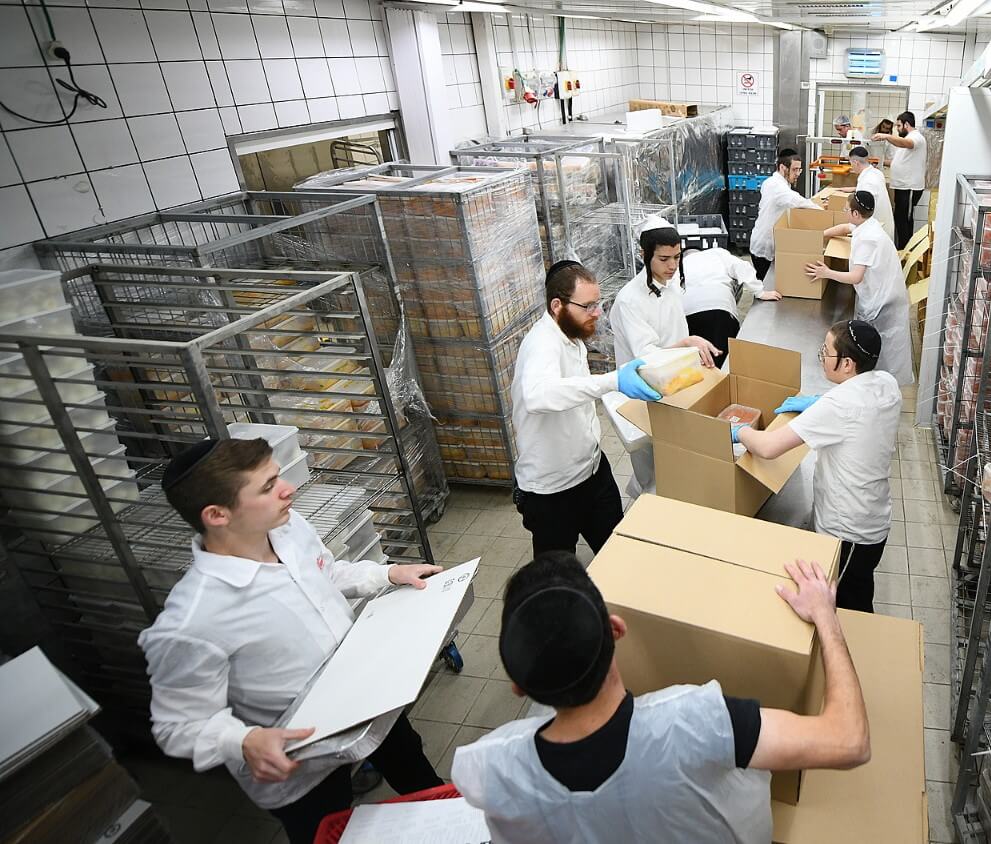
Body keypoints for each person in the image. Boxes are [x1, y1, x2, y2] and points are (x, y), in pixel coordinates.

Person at [137, 438, 448, 844]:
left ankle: (447, 815)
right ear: (216, 514)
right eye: (267, 487)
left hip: (365, 697)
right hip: (300, 761)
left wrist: (386, 575)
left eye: (278, 476)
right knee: (327, 830)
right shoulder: (193, 618)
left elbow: (328, 572)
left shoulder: (286, 527)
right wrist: (243, 739)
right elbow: (175, 725)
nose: (288, 489)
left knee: (417, 774)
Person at [453, 551, 870, 843]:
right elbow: (849, 740)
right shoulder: (695, 722)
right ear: (616, 629)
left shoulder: (490, 767)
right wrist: (825, 617)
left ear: (519, 686)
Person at [735, 321, 901, 613]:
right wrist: (818, 402)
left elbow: (769, 448)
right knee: (857, 588)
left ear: (847, 364)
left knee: (849, 606)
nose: (822, 356)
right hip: (873, 518)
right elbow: (854, 407)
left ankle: (855, 654)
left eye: (826, 351)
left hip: (848, 532)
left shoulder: (839, 405)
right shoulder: (887, 383)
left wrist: (738, 431)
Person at [511, 260, 664, 554]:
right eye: (589, 306)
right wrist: (612, 381)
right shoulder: (541, 344)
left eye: (599, 303)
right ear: (558, 305)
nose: (597, 313)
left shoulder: (572, 337)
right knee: (557, 576)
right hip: (552, 490)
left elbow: (574, 392)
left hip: (592, 471)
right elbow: (538, 395)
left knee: (618, 554)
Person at [610, 218, 720, 496]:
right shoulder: (629, 300)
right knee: (650, 462)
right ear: (643, 255)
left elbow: (674, 327)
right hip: (642, 390)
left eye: (677, 257)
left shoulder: (669, 283)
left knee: (674, 455)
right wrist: (686, 343)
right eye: (664, 259)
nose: (672, 266)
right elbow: (645, 356)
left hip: (674, 380)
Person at [804, 191, 913, 386]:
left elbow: (856, 276)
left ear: (856, 213)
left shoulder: (867, 239)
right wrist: (821, 235)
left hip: (883, 303)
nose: (845, 213)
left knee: (882, 354)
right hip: (883, 293)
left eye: (846, 209)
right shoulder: (868, 224)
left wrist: (826, 272)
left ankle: (877, 387)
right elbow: (846, 227)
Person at [681, 241, 782, 370]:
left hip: (688, 313)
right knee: (727, 363)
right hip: (720, 309)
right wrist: (760, 292)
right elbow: (741, 267)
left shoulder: (680, 264)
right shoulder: (716, 253)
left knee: (699, 364)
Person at [750, 148, 820, 284]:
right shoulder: (778, 187)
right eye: (795, 169)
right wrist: (825, 212)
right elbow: (798, 201)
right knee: (763, 285)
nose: (798, 173)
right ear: (782, 167)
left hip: (762, 238)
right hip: (765, 245)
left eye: (800, 169)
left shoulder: (772, 182)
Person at [872, 111, 928, 250]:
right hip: (902, 186)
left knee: (904, 220)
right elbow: (897, 162)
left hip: (909, 187)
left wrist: (886, 136)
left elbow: (906, 143)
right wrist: (877, 162)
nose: (897, 129)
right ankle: (902, 249)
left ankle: (906, 251)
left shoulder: (916, 137)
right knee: (900, 218)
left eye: (898, 125)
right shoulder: (908, 139)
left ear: (906, 124)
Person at [846, 146, 894, 244]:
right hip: (885, 226)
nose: (851, 166)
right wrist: (855, 189)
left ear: (856, 162)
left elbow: (860, 214)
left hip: (877, 232)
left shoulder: (867, 183)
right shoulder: (876, 173)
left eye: (851, 163)